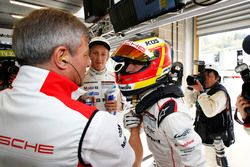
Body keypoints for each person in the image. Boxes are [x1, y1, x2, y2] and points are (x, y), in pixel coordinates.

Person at [0, 8, 142, 167]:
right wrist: (135, 130)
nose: (88, 63)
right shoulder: (93, 124)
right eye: (85, 55)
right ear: (62, 57)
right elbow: (133, 164)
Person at [111, 36, 205, 167]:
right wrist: (136, 128)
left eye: (135, 63)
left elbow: (196, 162)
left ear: (155, 65)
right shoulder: (148, 101)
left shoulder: (171, 115)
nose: (127, 69)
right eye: (127, 63)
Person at [185, 63, 234, 167]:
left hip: (215, 140)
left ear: (217, 78)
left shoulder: (220, 93)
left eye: (209, 76)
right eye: (204, 76)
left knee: (213, 164)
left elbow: (209, 111)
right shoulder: (205, 91)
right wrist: (190, 88)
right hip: (203, 135)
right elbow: (188, 103)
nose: (205, 79)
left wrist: (201, 92)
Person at [81, 36, 123, 114]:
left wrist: (117, 107)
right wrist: (82, 106)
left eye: (103, 54)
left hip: (110, 122)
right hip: (89, 123)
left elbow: (121, 107)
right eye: (95, 53)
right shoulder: (80, 78)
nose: (99, 58)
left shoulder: (116, 78)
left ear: (107, 57)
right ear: (89, 54)